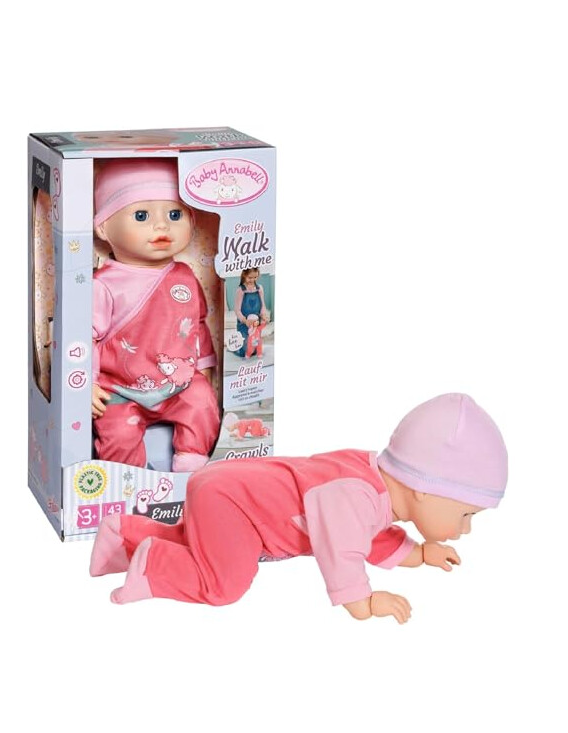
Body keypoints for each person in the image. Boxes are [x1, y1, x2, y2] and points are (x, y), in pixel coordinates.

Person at [90, 393, 507, 623]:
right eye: (465, 514)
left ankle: (126, 535)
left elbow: (372, 537)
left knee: (203, 545)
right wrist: (361, 602)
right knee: (224, 584)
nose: (466, 528)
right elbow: (344, 550)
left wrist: (421, 554)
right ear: (426, 489)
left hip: (225, 490)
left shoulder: (372, 483)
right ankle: (153, 564)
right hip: (233, 502)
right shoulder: (356, 496)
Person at [91, 158, 220, 472]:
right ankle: (128, 481)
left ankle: (191, 467)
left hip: (178, 384)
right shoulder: (103, 285)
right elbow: (83, 339)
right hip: (119, 390)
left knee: (203, 403)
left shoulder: (185, 275)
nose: (162, 226)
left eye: (175, 215)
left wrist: (204, 369)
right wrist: (85, 384)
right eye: (141, 215)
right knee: (118, 433)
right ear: (104, 227)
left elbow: (197, 324)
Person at [232, 268, 268, 357]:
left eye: (255, 277)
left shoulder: (259, 288)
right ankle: (237, 349)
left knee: (255, 348)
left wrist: (263, 315)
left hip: (256, 323)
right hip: (244, 323)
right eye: (250, 277)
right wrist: (245, 321)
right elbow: (237, 310)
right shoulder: (241, 290)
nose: (252, 280)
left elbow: (263, 305)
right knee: (244, 351)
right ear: (244, 275)